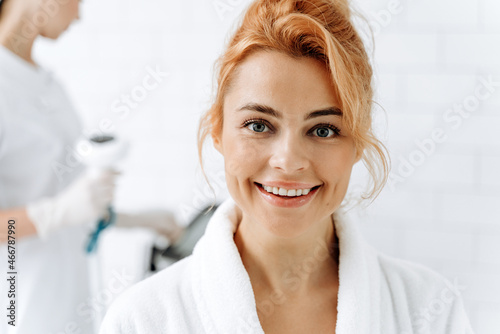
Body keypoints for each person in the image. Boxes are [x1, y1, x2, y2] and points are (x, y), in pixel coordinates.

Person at [98, 0, 474, 333]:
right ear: (217, 131)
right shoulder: (141, 321)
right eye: (259, 125)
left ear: (358, 141)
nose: (288, 160)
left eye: (324, 129)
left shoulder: (429, 310)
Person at [0, 0, 184, 333]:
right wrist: (54, 213)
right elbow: (52, 210)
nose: (80, 14)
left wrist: (131, 220)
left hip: (70, 303)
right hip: (19, 312)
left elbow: (64, 195)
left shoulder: (45, 83)